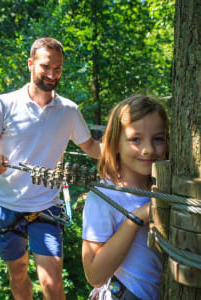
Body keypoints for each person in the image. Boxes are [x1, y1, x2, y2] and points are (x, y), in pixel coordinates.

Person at [0, 37, 102, 300]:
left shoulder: (68, 111)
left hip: (46, 207)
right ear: (30, 64)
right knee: (17, 274)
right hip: (6, 206)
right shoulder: (4, 104)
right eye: (45, 66)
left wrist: (131, 147)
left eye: (58, 68)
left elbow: (94, 149)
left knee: (52, 284)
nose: (52, 74)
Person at [82, 96, 169, 300]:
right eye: (135, 139)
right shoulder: (104, 197)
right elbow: (94, 275)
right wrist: (136, 218)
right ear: (115, 143)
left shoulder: (168, 189)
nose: (148, 149)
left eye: (158, 139)